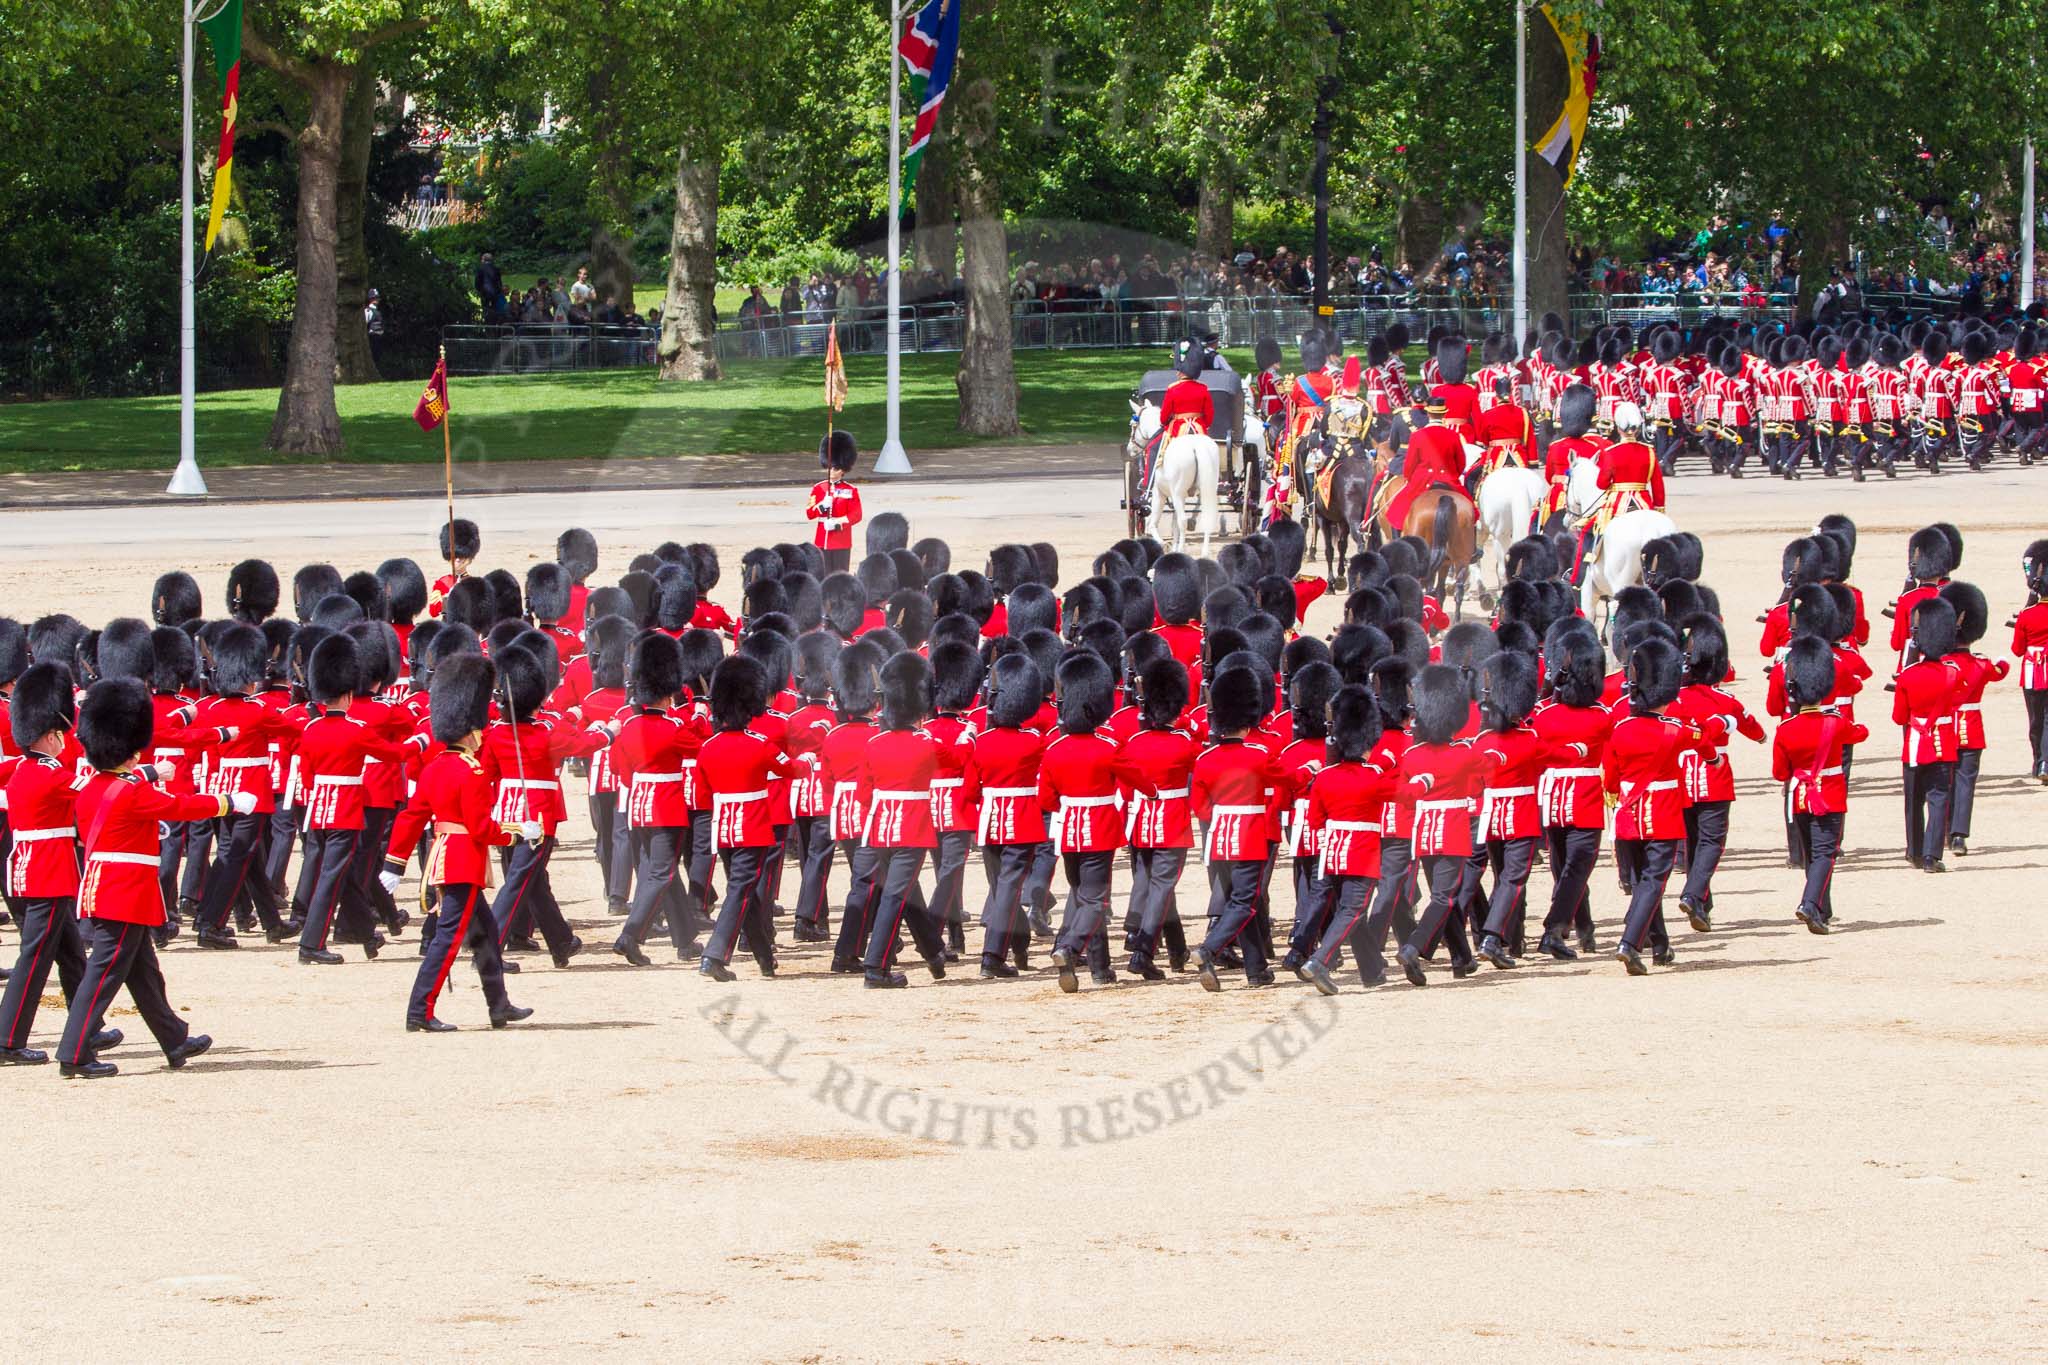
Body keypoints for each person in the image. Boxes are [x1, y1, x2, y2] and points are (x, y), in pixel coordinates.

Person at [56, 678, 240, 1077]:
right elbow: (180, 807)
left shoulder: (95, 786)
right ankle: (74, 1052)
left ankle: (173, 1038)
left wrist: (151, 772)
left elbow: (130, 787)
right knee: (103, 973)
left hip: (113, 887)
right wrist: (226, 802)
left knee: (144, 972)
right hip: (124, 891)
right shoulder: (132, 791)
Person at [384, 654, 535, 1033]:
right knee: (447, 941)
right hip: (463, 860)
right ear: (471, 730)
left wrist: (395, 863)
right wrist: (518, 832)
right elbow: (482, 828)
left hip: (443, 855)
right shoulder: (472, 771)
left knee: (484, 934)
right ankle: (420, 1010)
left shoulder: (435, 767)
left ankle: (499, 1005)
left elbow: (412, 816)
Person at [1603, 638, 1717, 974]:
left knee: (1642, 882)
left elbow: (1610, 781)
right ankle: (1630, 943)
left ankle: (1661, 946)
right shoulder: (1675, 730)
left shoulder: (1620, 729)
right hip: (1663, 814)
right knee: (1654, 881)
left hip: (1628, 816)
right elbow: (1705, 744)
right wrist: (1713, 759)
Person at [1043, 652, 1148, 992]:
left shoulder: (1054, 749)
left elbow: (1045, 799)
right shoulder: (1109, 747)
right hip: (1099, 827)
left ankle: (1101, 968)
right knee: (1095, 900)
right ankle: (1069, 948)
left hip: (1069, 828)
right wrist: (1155, 793)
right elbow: (1138, 778)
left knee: (1083, 894)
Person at [697, 656, 801, 981]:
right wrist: (810, 759)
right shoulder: (760, 745)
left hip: (723, 829)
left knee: (746, 892)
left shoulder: (708, 747)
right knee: (741, 891)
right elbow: (792, 769)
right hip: (753, 827)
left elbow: (701, 796)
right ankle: (715, 955)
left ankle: (765, 958)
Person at [1191, 667, 1279, 990]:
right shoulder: (1258, 755)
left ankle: (1256, 969)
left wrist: (1220, 819)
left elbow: (1198, 804)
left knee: (1242, 904)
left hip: (1220, 837)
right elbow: (1286, 780)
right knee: (1244, 902)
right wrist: (1310, 772)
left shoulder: (1206, 758)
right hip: (1249, 835)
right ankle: (1209, 949)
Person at [1772, 637, 1867, 933]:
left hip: (1800, 797)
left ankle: (1822, 909)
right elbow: (1859, 734)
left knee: (1814, 854)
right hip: (1829, 795)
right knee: (1826, 852)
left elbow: (1780, 773)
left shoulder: (1785, 729)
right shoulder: (1835, 722)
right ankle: (1810, 904)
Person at [1893, 596, 1963, 872]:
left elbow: (1899, 717)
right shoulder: (1952, 673)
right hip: (1943, 743)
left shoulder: (1908, 675)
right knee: (1938, 799)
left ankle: (1914, 850)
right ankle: (1933, 856)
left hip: (1915, 745)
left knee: (1913, 800)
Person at [2012, 540, 2048, 781]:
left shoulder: (2027, 615)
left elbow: (2017, 650)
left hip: (2033, 671)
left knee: (2035, 719)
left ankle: (2039, 761)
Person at [809, 432, 864, 575]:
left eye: (835, 468)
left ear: (843, 469)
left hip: (841, 541)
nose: (831, 471)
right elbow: (809, 513)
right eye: (830, 467)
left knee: (840, 578)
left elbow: (856, 515)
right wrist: (822, 506)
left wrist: (837, 523)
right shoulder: (819, 488)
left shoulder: (850, 490)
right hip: (822, 541)